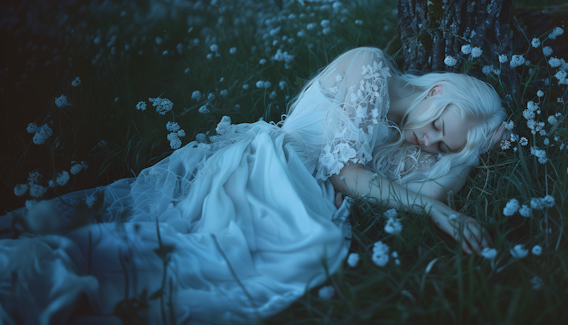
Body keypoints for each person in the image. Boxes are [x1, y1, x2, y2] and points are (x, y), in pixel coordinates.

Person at [0, 46, 509, 324]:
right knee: (296, 243)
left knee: (300, 244)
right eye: (439, 127)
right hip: (270, 165)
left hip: (302, 192)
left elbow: (433, 195)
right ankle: (73, 270)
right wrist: (437, 211)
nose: (428, 141)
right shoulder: (371, 66)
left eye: (442, 146)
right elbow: (346, 174)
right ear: (437, 90)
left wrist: (470, 151)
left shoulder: (408, 146)